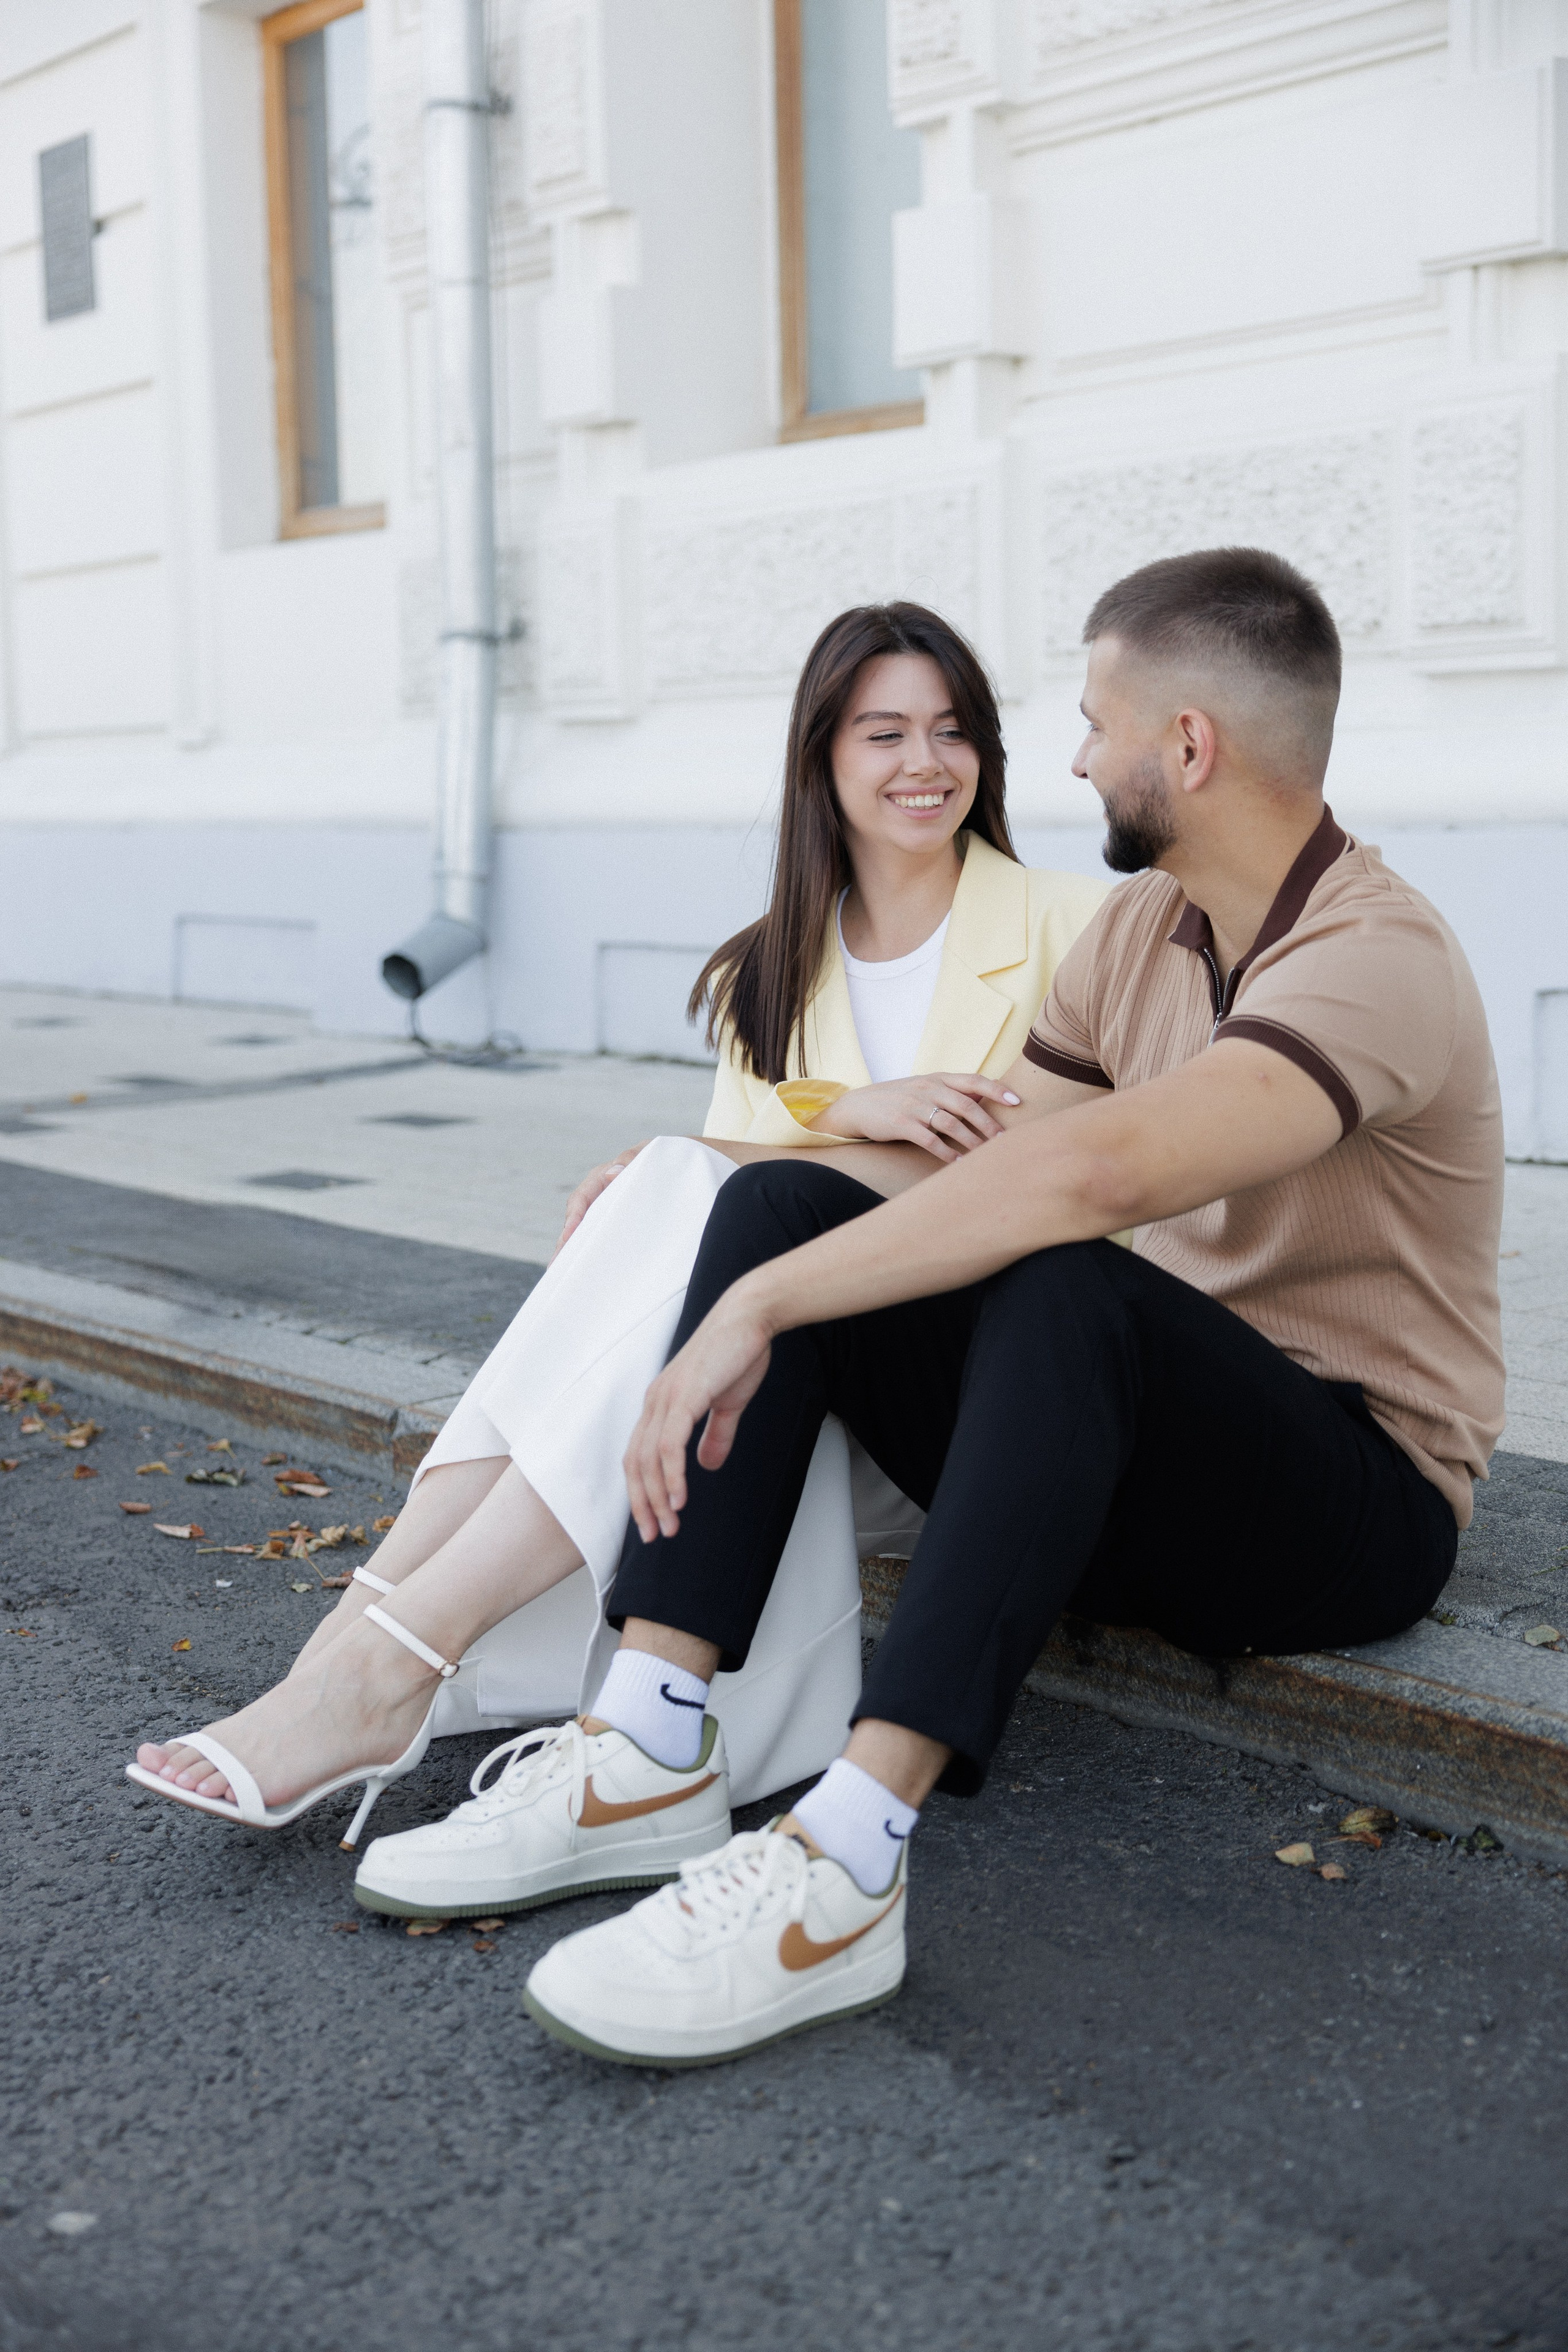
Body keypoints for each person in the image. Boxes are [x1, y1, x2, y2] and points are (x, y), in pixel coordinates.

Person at [512, 544, 1506, 2068]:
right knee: (785, 1206)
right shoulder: (1139, 930)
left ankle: (845, 1859)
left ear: (1187, 745)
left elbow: (1090, 1174)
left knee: (1060, 1277)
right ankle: (646, 1739)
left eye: (1096, 722)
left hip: (1350, 1503)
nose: (1074, 757)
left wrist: (757, 1310)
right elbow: (975, 1166)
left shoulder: (1374, 955)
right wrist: (723, 1185)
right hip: (1132, 1458)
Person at [125, 601, 1108, 1883]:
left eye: (953, 730)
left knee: (676, 1178)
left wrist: (814, 1121)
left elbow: (1025, 1182)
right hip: (777, 1393)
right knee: (666, 1192)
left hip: (956, 1398)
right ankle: (356, 1658)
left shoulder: (1075, 928)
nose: (924, 763)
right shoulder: (764, 972)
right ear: (821, 758)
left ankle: (378, 1660)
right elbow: (728, 1235)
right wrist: (775, 1139)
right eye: (884, 734)